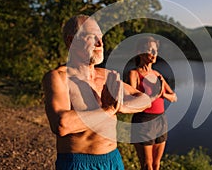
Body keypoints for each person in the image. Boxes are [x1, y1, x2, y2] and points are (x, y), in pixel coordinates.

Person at [42, 14, 152, 170]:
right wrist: (108, 110)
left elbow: (144, 99)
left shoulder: (106, 75)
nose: (100, 43)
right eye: (92, 37)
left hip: (113, 159)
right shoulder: (58, 77)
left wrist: (120, 106)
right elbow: (61, 125)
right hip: (78, 163)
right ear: (71, 41)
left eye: (100, 37)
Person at [128, 36, 177, 170]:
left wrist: (162, 94)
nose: (154, 53)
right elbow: (132, 101)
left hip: (161, 120)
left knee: (156, 165)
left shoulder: (157, 74)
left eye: (155, 50)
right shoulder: (134, 74)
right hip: (143, 121)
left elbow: (174, 97)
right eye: (150, 50)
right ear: (140, 51)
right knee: (147, 166)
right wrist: (154, 96)